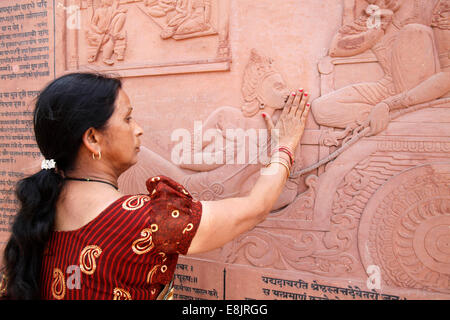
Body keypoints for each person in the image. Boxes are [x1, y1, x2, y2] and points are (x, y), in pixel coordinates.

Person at [0, 72, 310, 300]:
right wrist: (285, 147)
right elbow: (252, 210)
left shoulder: (40, 207)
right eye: (128, 119)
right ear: (93, 139)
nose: (139, 130)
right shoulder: (143, 221)